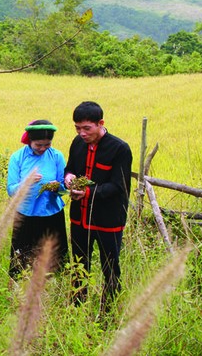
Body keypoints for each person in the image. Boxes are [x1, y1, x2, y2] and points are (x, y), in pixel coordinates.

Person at [64, 101, 132, 312]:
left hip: (108, 219)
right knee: (78, 264)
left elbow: (118, 186)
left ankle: (108, 311)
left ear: (100, 123)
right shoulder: (77, 143)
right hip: (79, 218)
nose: (82, 133)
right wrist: (69, 178)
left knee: (110, 266)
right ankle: (77, 306)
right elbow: (69, 168)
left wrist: (87, 193)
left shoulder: (119, 148)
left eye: (87, 128)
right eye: (77, 128)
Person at [7, 120, 69, 281]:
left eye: (47, 145)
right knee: (21, 258)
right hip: (25, 215)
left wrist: (57, 187)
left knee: (55, 258)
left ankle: (53, 289)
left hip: (52, 214)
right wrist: (26, 182)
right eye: (38, 145)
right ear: (30, 141)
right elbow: (11, 190)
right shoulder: (17, 158)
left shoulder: (56, 156)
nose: (42, 149)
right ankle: (18, 290)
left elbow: (64, 188)